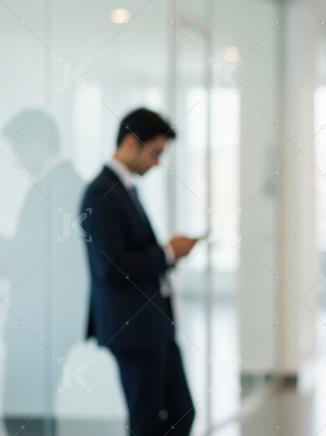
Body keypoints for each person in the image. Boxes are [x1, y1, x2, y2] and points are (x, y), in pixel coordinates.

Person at [80, 108, 198, 436]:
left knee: (180, 412)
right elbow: (111, 266)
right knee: (146, 420)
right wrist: (168, 253)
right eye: (156, 153)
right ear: (132, 143)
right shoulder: (100, 193)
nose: (159, 162)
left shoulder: (125, 189)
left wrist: (168, 255)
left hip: (153, 324)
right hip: (132, 328)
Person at [0, 110, 87, 435]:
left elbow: (32, 259)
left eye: (19, 149)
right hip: (49, 323)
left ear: (36, 143)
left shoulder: (50, 190)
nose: (18, 159)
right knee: (35, 414)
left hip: (38, 324)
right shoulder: (70, 184)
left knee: (23, 417)